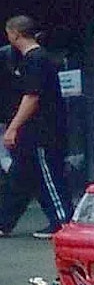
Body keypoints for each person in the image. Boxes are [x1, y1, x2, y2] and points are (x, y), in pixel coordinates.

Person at [0, 15, 72, 239]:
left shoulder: (36, 59)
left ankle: (63, 221)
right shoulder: (33, 59)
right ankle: (4, 221)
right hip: (32, 131)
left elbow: (32, 97)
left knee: (49, 175)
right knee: (20, 177)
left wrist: (13, 127)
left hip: (43, 131)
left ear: (15, 34)